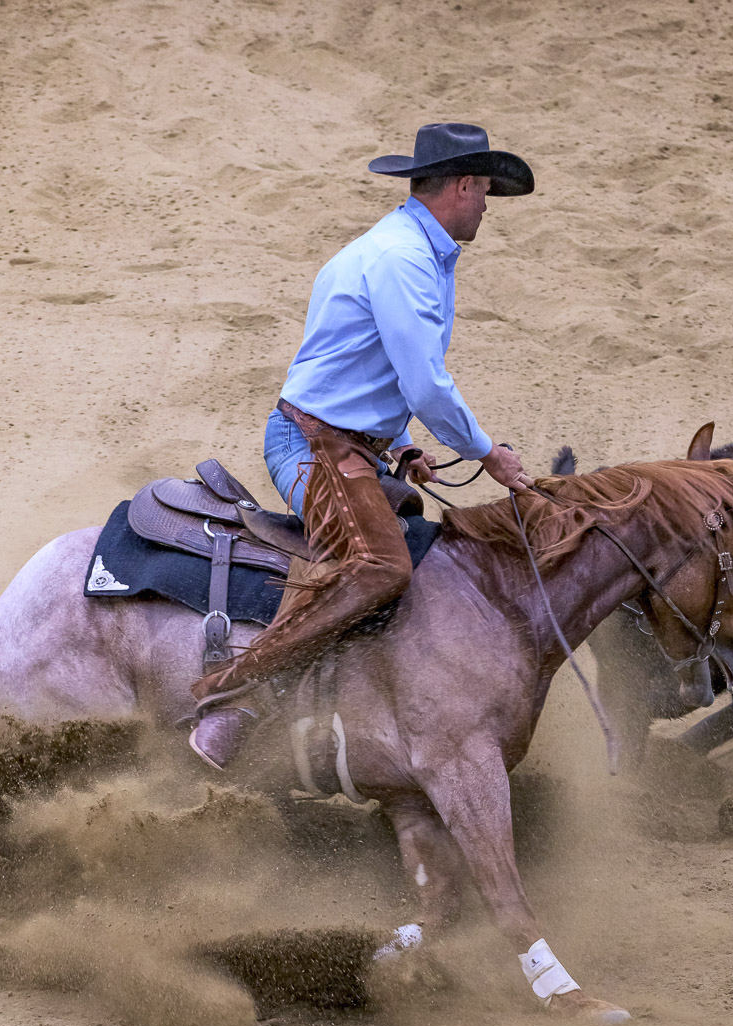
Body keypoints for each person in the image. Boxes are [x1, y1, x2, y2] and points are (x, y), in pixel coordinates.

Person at [188, 122, 536, 768]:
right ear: (462, 186)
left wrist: (401, 446)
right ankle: (234, 694)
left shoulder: (402, 250)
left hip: (345, 443)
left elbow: (366, 365)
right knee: (381, 564)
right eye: (486, 190)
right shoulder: (403, 261)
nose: (488, 205)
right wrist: (487, 453)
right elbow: (426, 384)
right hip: (315, 447)